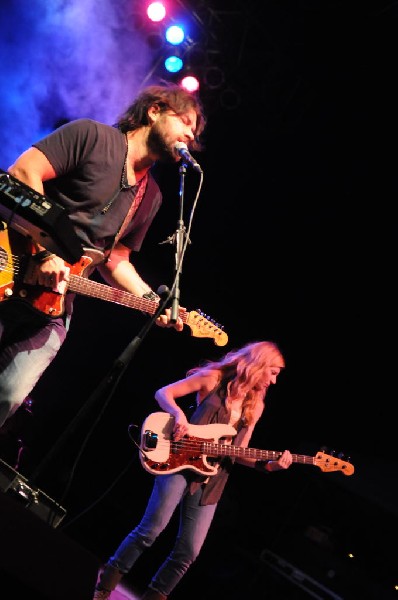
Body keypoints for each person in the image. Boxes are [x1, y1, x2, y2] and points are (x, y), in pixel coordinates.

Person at [0, 83, 206, 438]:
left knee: (9, 395)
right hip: (12, 262)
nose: (190, 134)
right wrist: (46, 251)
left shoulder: (151, 196)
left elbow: (115, 259)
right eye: (186, 121)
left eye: (195, 131)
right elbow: (23, 172)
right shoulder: (91, 136)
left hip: (54, 307)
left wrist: (152, 303)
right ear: (154, 111)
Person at [93, 340, 293, 600]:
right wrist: (179, 416)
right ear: (259, 364)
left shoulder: (256, 405)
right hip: (179, 461)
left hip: (213, 477)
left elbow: (240, 451)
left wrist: (269, 466)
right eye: (274, 372)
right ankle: (104, 587)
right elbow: (163, 393)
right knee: (150, 530)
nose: (274, 381)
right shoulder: (213, 378)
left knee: (189, 551)